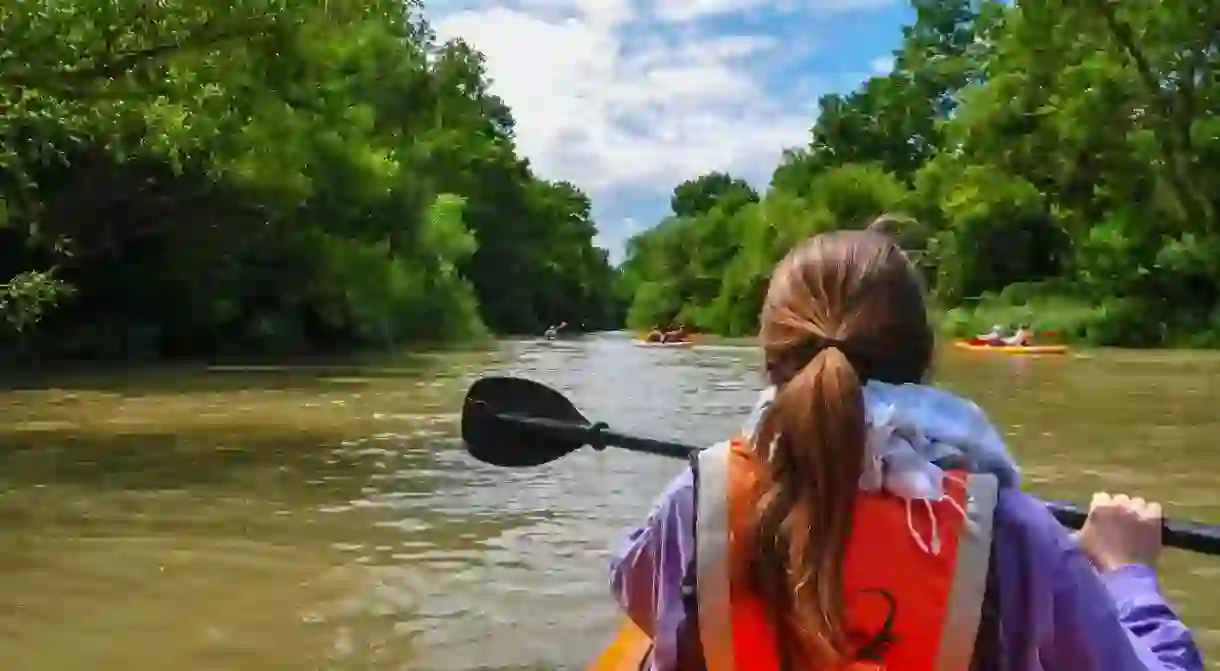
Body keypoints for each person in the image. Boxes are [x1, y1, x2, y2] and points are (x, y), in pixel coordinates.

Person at [608, 226, 1200, 671]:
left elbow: (632, 589)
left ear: (769, 364)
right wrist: (1124, 575)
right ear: (925, 361)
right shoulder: (1013, 532)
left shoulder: (695, 499)